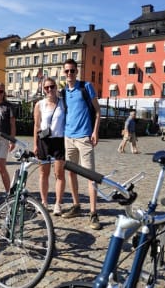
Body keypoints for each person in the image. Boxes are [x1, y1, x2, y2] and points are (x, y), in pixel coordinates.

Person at [61, 58, 102, 230]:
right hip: (68, 137)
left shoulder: (86, 87)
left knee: (90, 176)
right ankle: (77, 205)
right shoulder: (63, 92)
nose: (69, 73)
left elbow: (98, 111)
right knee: (71, 173)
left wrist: (95, 131)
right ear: (64, 73)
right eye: (67, 71)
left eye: (72, 70)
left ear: (77, 72)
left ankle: (93, 213)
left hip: (84, 137)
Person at [33, 78, 66, 215]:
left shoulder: (63, 103)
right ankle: (44, 202)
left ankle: (58, 203)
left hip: (59, 141)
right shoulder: (39, 104)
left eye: (52, 87)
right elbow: (36, 125)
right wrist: (35, 144)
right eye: (46, 88)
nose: (49, 90)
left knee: (59, 174)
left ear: (56, 87)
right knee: (43, 173)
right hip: (44, 141)